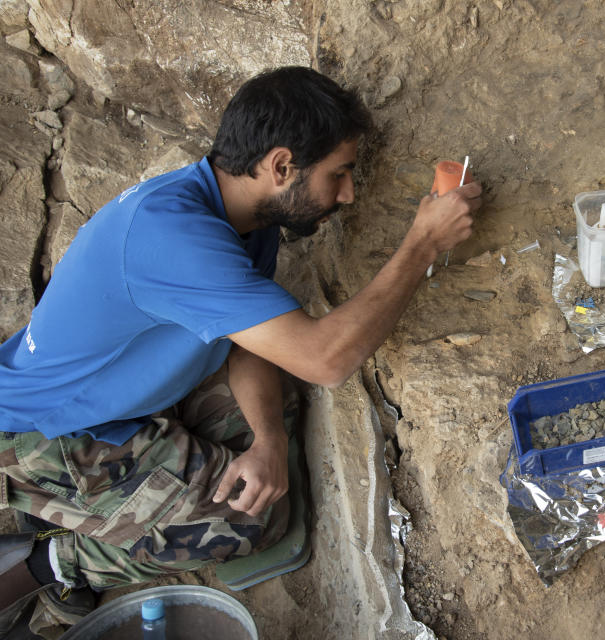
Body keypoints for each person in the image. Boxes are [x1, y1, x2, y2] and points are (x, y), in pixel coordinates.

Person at [0, 66, 481, 632]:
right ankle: (50, 560)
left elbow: (250, 340)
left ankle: (94, 511)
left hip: (129, 397)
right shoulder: (173, 236)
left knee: (273, 417)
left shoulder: (242, 215)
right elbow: (326, 359)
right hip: (50, 434)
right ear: (281, 166)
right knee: (248, 520)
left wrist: (269, 440)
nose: (348, 195)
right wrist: (423, 243)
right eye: (340, 174)